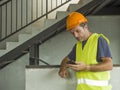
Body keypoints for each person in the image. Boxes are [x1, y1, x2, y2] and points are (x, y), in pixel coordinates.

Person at [58, 12, 113, 90]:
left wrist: (86, 67)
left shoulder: (99, 40)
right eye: (72, 33)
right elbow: (66, 60)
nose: (75, 35)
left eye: (77, 31)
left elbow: (109, 65)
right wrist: (62, 68)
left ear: (85, 27)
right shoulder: (78, 46)